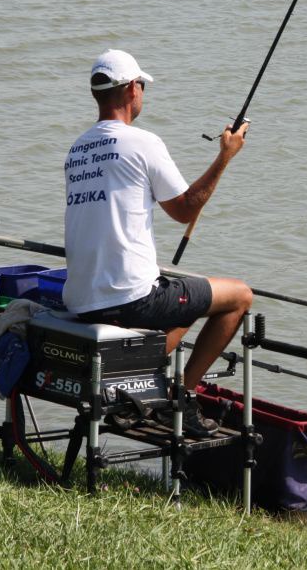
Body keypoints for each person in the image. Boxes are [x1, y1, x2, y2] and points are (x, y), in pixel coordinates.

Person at [62, 48, 252, 437]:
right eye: (142, 85)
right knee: (239, 297)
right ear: (132, 89)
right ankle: (181, 396)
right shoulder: (142, 142)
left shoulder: (77, 150)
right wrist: (226, 156)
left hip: (80, 300)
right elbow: (184, 209)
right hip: (131, 301)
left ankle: (137, 382)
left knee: (183, 296)